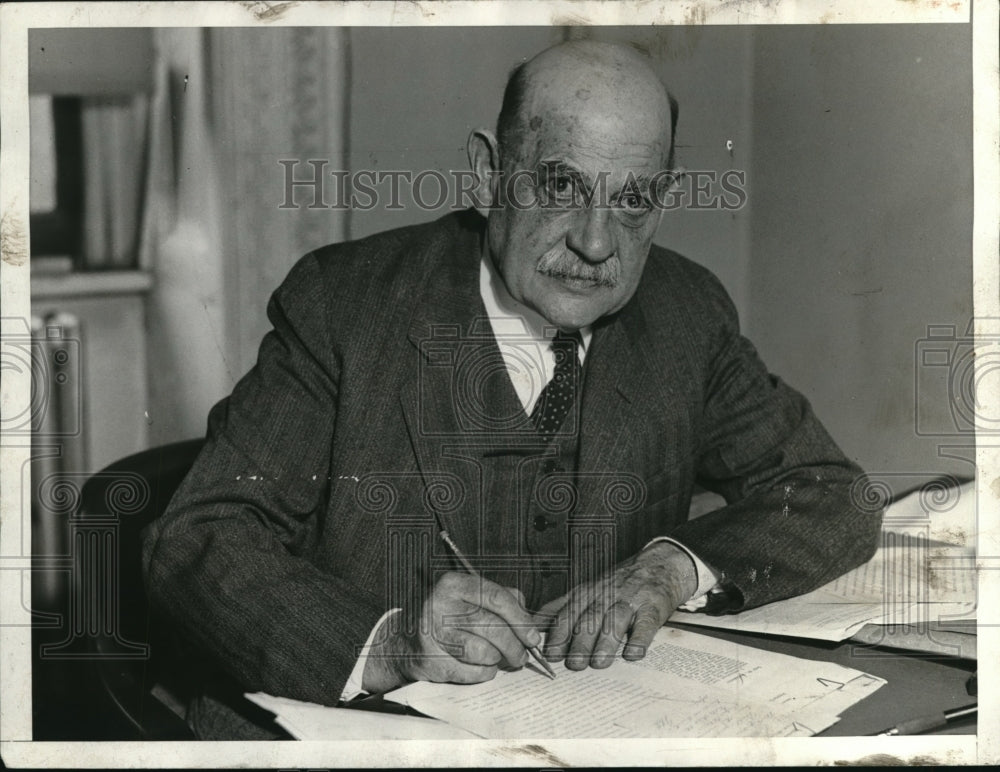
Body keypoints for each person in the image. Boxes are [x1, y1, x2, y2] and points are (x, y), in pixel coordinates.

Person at [142, 40, 881, 739]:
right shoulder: (346, 305)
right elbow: (200, 534)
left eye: (632, 201)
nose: (596, 243)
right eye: (561, 186)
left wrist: (671, 567)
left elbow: (831, 490)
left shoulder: (685, 313)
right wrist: (391, 643)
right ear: (488, 173)